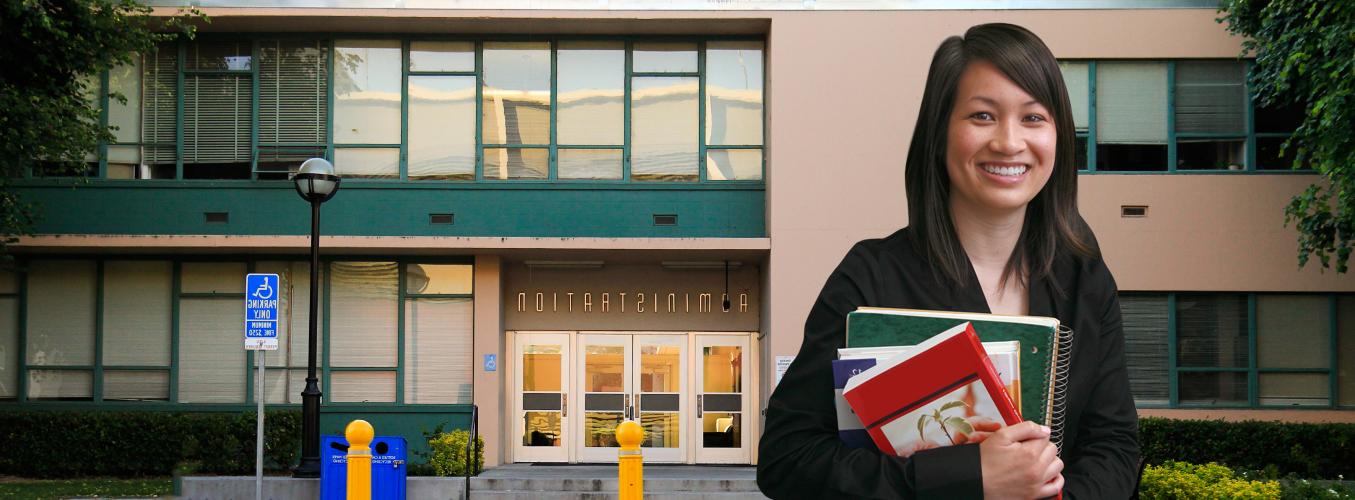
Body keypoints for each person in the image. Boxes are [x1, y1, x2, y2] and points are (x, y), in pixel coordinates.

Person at [756, 23, 1140, 499]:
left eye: (1034, 118)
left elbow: (1115, 446)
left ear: (1058, 138)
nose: (1009, 142)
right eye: (982, 116)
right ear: (940, 134)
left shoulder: (1085, 279)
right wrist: (969, 476)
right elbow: (787, 459)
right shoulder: (871, 277)